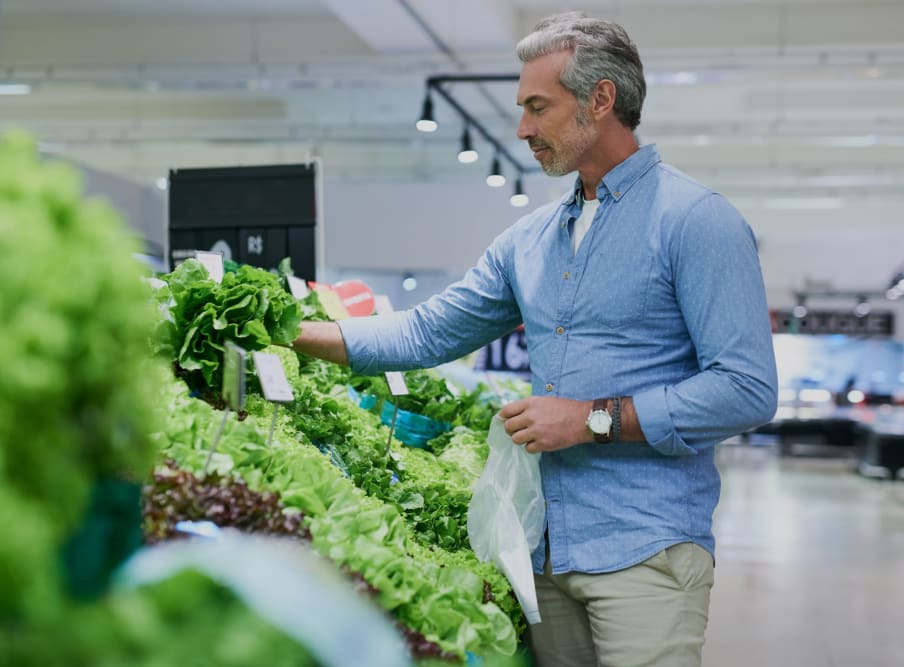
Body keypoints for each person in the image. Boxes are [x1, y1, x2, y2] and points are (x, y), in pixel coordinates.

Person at [292, 11, 777, 667]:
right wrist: (283, 331)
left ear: (601, 99)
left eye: (537, 107)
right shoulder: (528, 241)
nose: (522, 129)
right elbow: (427, 331)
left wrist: (590, 419)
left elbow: (746, 390)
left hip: (646, 551)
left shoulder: (698, 222)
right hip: (544, 553)